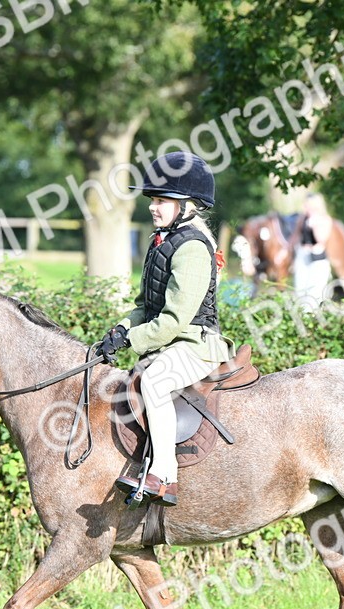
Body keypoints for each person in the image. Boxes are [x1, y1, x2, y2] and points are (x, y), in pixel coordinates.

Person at [100, 151, 231, 506]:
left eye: (162, 200)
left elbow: (173, 320)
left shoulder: (191, 248)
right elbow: (146, 307)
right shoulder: (162, 242)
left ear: (187, 205)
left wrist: (132, 340)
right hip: (172, 343)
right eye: (153, 200)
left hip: (195, 345)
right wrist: (118, 330)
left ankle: (164, 476)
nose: (153, 207)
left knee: (155, 381)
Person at [292, 192, 335, 310]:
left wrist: (314, 225)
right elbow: (295, 237)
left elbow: (321, 240)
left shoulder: (325, 219)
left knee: (315, 292)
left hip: (317, 259)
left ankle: (311, 316)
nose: (306, 208)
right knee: (300, 291)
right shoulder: (302, 219)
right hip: (302, 256)